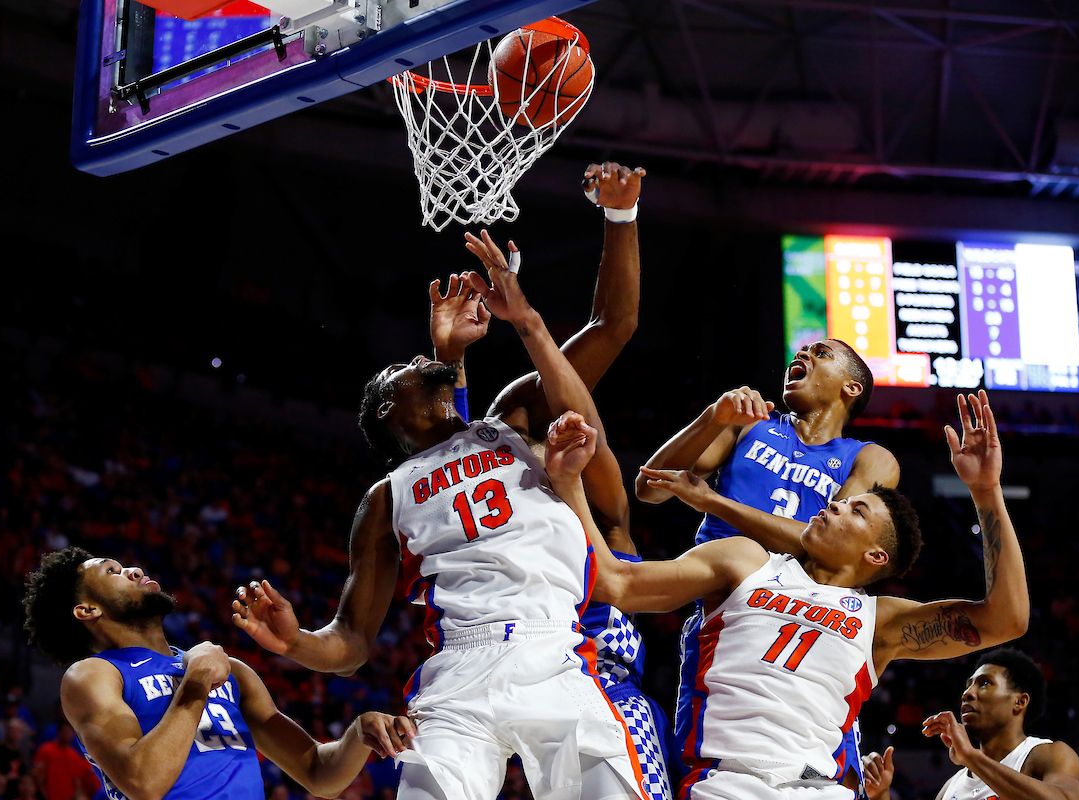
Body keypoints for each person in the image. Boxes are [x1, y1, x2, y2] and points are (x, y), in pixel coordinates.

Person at [231, 230, 650, 800]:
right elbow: (352, 641)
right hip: (458, 671)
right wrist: (295, 641)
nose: (419, 358)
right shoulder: (387, 497)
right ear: (387, 404)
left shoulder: (513, 419)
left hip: (554, 648)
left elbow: (613, 326)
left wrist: (611, 223)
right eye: (406, 364)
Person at [543, 388, 1030, 800]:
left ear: (875, 558)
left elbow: (1006, 620)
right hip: (725, 784)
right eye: (840, 502)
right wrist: (568, 481)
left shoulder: (880, 621)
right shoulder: (743, 560)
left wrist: (987, 492)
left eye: (856, 512)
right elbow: (616, 582)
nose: (836, 507)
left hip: (822, 789)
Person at [429, 163, 673, 800]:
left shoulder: (594, 487)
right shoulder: (485, 496)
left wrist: (620, 217)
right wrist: (449, 357)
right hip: (491, 673)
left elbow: (612, 329)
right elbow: (445, 464)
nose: (498, 443)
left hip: (598, 683)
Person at [636, 340, 901, 790]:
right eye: (802, 351)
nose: (803, 356)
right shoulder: (748, 425)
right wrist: (712, 418)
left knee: (823, 777)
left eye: (821, 353)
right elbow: (650, 489)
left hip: (814, 617)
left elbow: (828, 547)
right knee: (709, 769)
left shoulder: (869, 458)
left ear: (851, 387)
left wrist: (716, 503)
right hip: (732, 611)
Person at [21, 547, 414, 800]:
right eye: (113, 571)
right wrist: (196, 683)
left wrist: (359, 733)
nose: (135, 570)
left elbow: (318, 772)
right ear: (88, 610)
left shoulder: (232, 674)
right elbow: (143, 781)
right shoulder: (93, 675)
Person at [861, 649, 1079, 800]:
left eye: (985, 683)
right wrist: (880, 794)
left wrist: (971, 757)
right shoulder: (951, 787)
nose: (967, 693)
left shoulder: (1047, 754)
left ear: (1020, 701)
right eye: (967, 686)